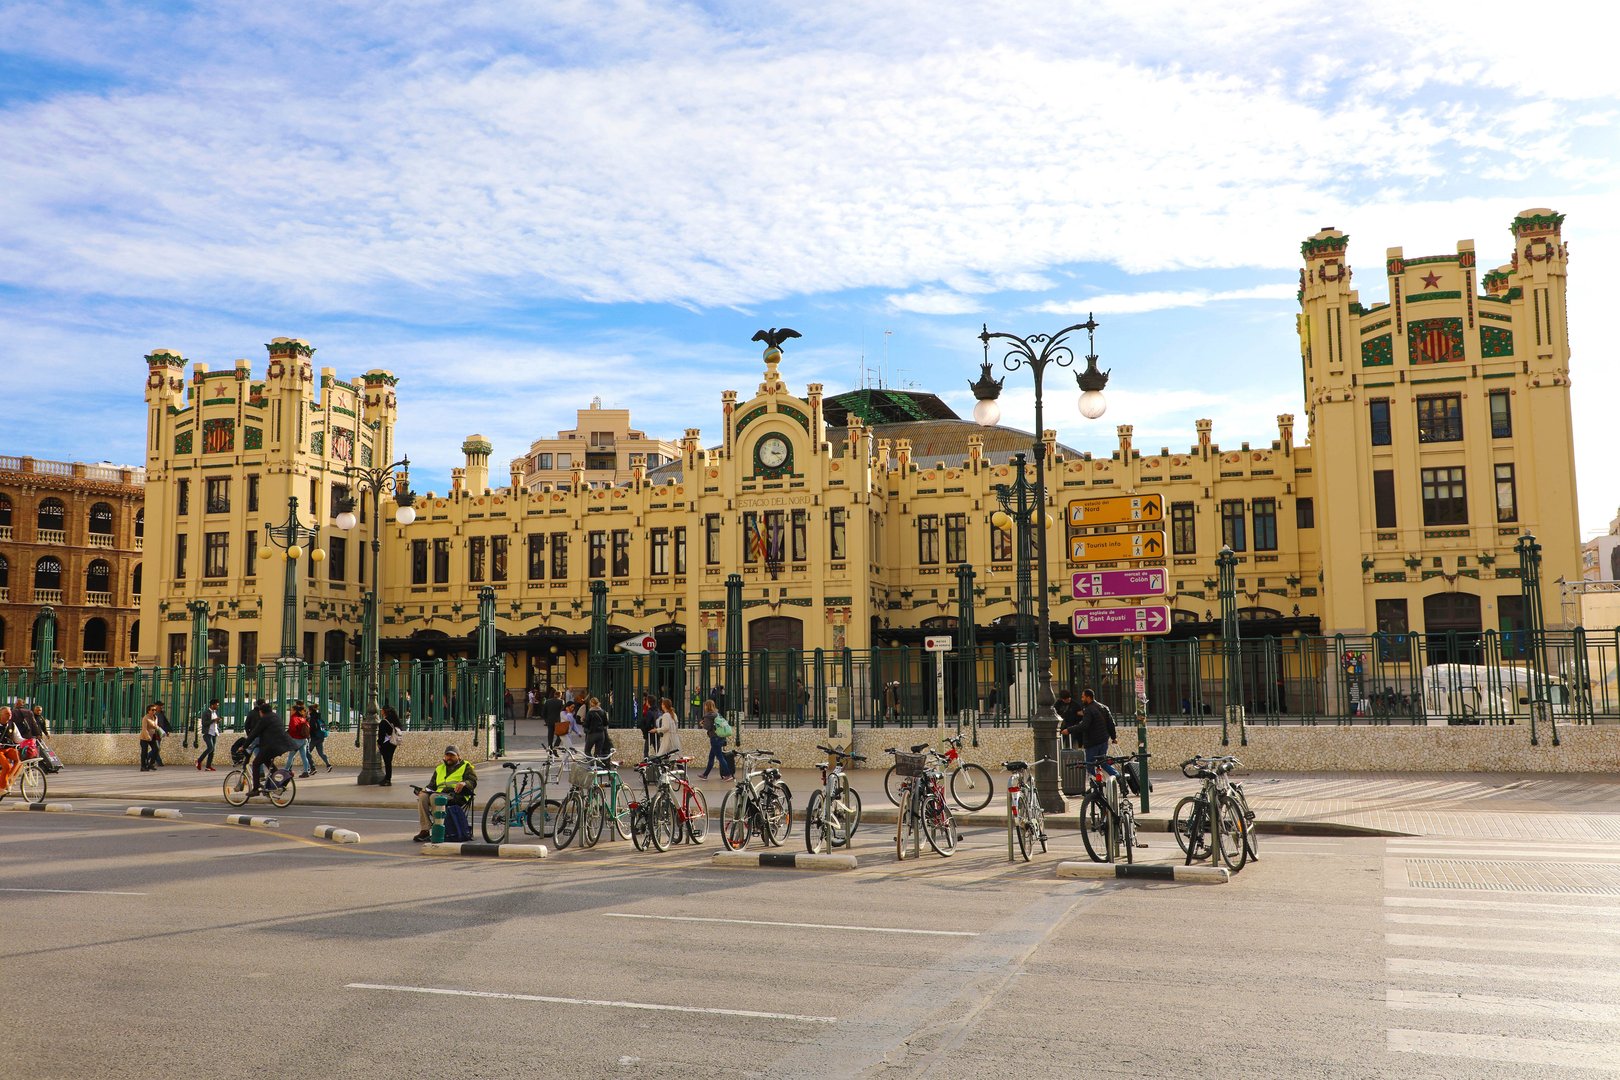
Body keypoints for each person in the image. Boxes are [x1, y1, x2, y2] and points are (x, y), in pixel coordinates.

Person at [413, 745, 476, 842]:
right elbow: (432, 785)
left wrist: (464, 783)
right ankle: (425, 829)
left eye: (452, 755)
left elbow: (472, 781)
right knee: (423, 796)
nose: (449, 757)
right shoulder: (439, 768)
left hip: (457, 795)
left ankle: (438, 828)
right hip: (439, 793)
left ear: (458, 756)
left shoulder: (465, 766)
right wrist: (423, 790)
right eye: (447, 755)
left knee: (435, 797)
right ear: (444, 756)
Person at [243, 699, 294, 794]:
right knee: (268, 763)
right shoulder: (275, 716)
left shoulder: (264, 719)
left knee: (256, 763)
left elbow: (254, 733)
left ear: (261, 712)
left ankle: (255, 789)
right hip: (281, 744)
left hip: (271, 746)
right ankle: (279, 782)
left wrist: (244, 746)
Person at [1074, 688, 1118, 776]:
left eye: (1083, 697)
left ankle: (1097, 782)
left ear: (1088, 697)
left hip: (1092, 742)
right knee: (1103, 762)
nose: (1081, 699)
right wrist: (1113, 737)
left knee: (1090, 765)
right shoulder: (1104, 707)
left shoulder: (1088, 709)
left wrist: (1069, 730)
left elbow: (1084, 725)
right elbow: (1111, 724)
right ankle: (1117, 775)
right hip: (1103, 740)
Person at [697, 699, 732, 780]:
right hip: (721, 737)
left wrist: (702, 724)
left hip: (715, 739)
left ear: (707, 706)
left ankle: (728, 774)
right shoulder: (717, 714)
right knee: (711, 757)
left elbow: (707, 727)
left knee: (720, 757)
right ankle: (705, 775)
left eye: (705, 705)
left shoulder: (708, 716)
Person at [286, 703, 313, 777]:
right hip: (304, 740)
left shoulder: (294, 718)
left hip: (296, 740)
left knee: (291, 756)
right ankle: (306, 771)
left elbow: (293, 729)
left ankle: (285, 770)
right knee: (304, 756)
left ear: (295, 711)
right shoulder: (303, 718)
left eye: (292, 710)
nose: (290, 711)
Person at [377, 705, 401, 786]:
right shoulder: (395, 721)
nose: (381, 711)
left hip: (386, 743)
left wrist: (379, 743)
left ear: (384, 711)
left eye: (382, 710)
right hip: (393, 743)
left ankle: (387, 780)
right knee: (389, 761)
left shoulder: (384, 722)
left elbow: (381, 736)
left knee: (387, 762)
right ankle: (387, 778)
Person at [0, 706, 22, 795]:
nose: (10, 715)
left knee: (21, 759)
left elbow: (18, 738)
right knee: (7, 766)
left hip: (8, 748)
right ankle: (1, 788)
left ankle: (8, 779)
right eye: (7, 713)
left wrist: (28, 741)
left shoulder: (12, 725)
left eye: (10, 713)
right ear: (0, 715)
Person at [195, 699, 221, 771]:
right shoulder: (206, 713)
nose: (217, 706)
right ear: (212, 705)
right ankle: (199, 761)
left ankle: (208, 766)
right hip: (207, 733)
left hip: (214, 733)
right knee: (210, 748)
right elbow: (204, 723)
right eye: (216, 705)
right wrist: (214, 720)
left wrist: (218, 721)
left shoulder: (215, 712)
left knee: (212, 750)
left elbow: (215, 722)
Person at [307, 701, 332, 772]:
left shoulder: (312, 718)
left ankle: (310, 768)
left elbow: (312, 728)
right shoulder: (319, 717)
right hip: (320, 737)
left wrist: (309, 733)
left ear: (310, 710)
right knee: (321, 753)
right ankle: (328, 765)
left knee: (307, 753)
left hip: (314, 738)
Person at [139, 703, 162, 771]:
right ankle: (143, 766)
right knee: (144, 752)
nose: (154, 711)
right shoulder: (145, 718)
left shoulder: (155, 717)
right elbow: (144, 729)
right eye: (152, 710)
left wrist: (161, 731)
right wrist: (148, 737)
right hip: (145, 737)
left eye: (155, 710)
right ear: (148, 711)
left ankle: (151, 764)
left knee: (156, 749)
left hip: (153, 736)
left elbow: (155, 726)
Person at [151, 700, 170, 767]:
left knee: (156, 748)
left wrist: (166, 731)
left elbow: (164, 723)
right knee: (156, 748)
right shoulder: (153, 714)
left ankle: (153, 761)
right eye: (160, 706)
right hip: (154, 733)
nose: (161, 707)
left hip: (159, 733)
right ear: (156, 706)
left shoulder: (161, 713)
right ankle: (158, 762)